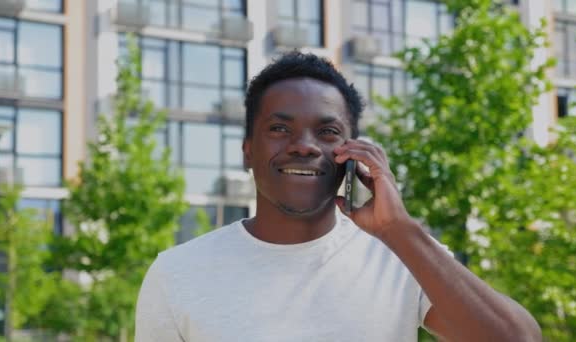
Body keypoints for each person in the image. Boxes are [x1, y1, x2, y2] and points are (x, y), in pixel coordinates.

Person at [135, 52, 541, 341]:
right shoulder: (177, 274)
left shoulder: (401, 256)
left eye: (327, 132)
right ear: (247, 150)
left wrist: (398, 229)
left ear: (353, 153)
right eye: (280, 128)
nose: (304, 145)